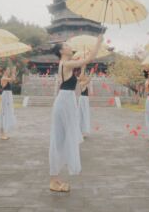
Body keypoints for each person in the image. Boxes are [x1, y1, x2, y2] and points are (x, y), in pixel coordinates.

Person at [49, 34, 103, 192]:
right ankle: (53, 180)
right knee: (59, 139)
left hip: (66, 100)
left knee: (60, 139)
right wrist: (98, 42)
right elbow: (87, 60)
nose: (69, 47)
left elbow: (82, 64)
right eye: (66, 45)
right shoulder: (66, 63)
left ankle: (55, 178)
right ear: (61, 51)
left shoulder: (65, 63)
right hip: (65, 101)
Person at [0, 65, 18, 140]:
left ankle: (4, 132)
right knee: (4, 113)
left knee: (7, 113)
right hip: (5, 96)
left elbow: (13, 79)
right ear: (4, 71)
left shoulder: (6, 78)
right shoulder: (3, 78)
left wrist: (13, 72)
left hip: (8, 95)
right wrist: (13, 72)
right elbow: (12, 79)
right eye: (7, 70)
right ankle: (2, 133)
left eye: (9, 70)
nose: (8, 71)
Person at [78, 66, 92, 138]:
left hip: (85, 99)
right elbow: (88, 80)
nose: (85, 76)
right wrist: (91, 73)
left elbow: (88, 80)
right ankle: (81, 131)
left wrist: (83, 67)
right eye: (84, 75)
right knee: (82, 114)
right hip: (83, 99)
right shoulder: (81, 83)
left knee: (85, 114)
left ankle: (83, 131)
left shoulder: (84, 83)